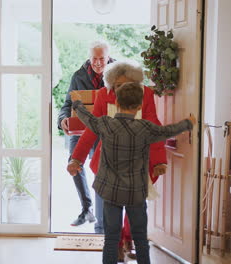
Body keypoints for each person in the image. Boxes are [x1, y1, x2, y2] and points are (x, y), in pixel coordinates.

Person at [69, 83, 195, 264]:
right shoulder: (145, 128)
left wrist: (77, 103)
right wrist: (188, 123)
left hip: (110, 192)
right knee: (141, 239)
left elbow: (86, 117)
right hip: (136, 192)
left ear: (117, 103)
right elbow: (168, 130)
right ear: (139, 106)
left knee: (111, 240)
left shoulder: (105, 124)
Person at [66, 61, 167, 258]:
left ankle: (129, 239)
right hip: (110, 165)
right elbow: (91, 130)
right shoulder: (104, 94)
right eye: (118, 85)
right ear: (112, 85)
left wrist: (159, 161)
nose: (123, 89)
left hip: (138, 164)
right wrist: (76, 159)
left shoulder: (146, 94)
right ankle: (118, 244)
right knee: (111, 221)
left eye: (128, 85)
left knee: (136, 215)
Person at [57, 40, 114, 226]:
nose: (98, 63)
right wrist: (63, 119)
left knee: (101, 169)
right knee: (74, 164)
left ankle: (103, 221)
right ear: (89, 58)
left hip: (105, 131)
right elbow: (67, 104)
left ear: (108, 57)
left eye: (102, 59)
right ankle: (86, 209)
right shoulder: (79, 76)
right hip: (81, 129)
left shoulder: (118, 74)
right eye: (94, 58)